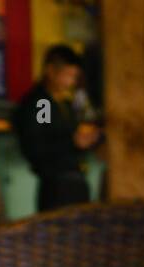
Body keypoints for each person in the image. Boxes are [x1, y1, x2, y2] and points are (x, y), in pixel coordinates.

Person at [12, 45, 99, 212]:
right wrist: (73, 142)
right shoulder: (43, 103)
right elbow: (40, 143)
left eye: (74, 76)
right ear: (50, 71)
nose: (71, 82)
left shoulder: (63, 102)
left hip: (71, 181)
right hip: (57, 185)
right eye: (68, 75)